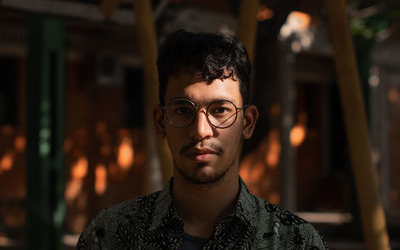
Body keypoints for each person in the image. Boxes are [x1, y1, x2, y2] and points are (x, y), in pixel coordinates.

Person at [77, 30, 328, 249]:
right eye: (183, 110)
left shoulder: (295, 242)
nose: (200, 131)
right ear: (159, 121)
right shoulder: (109, 236)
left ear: (248, 122)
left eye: (220, 110)